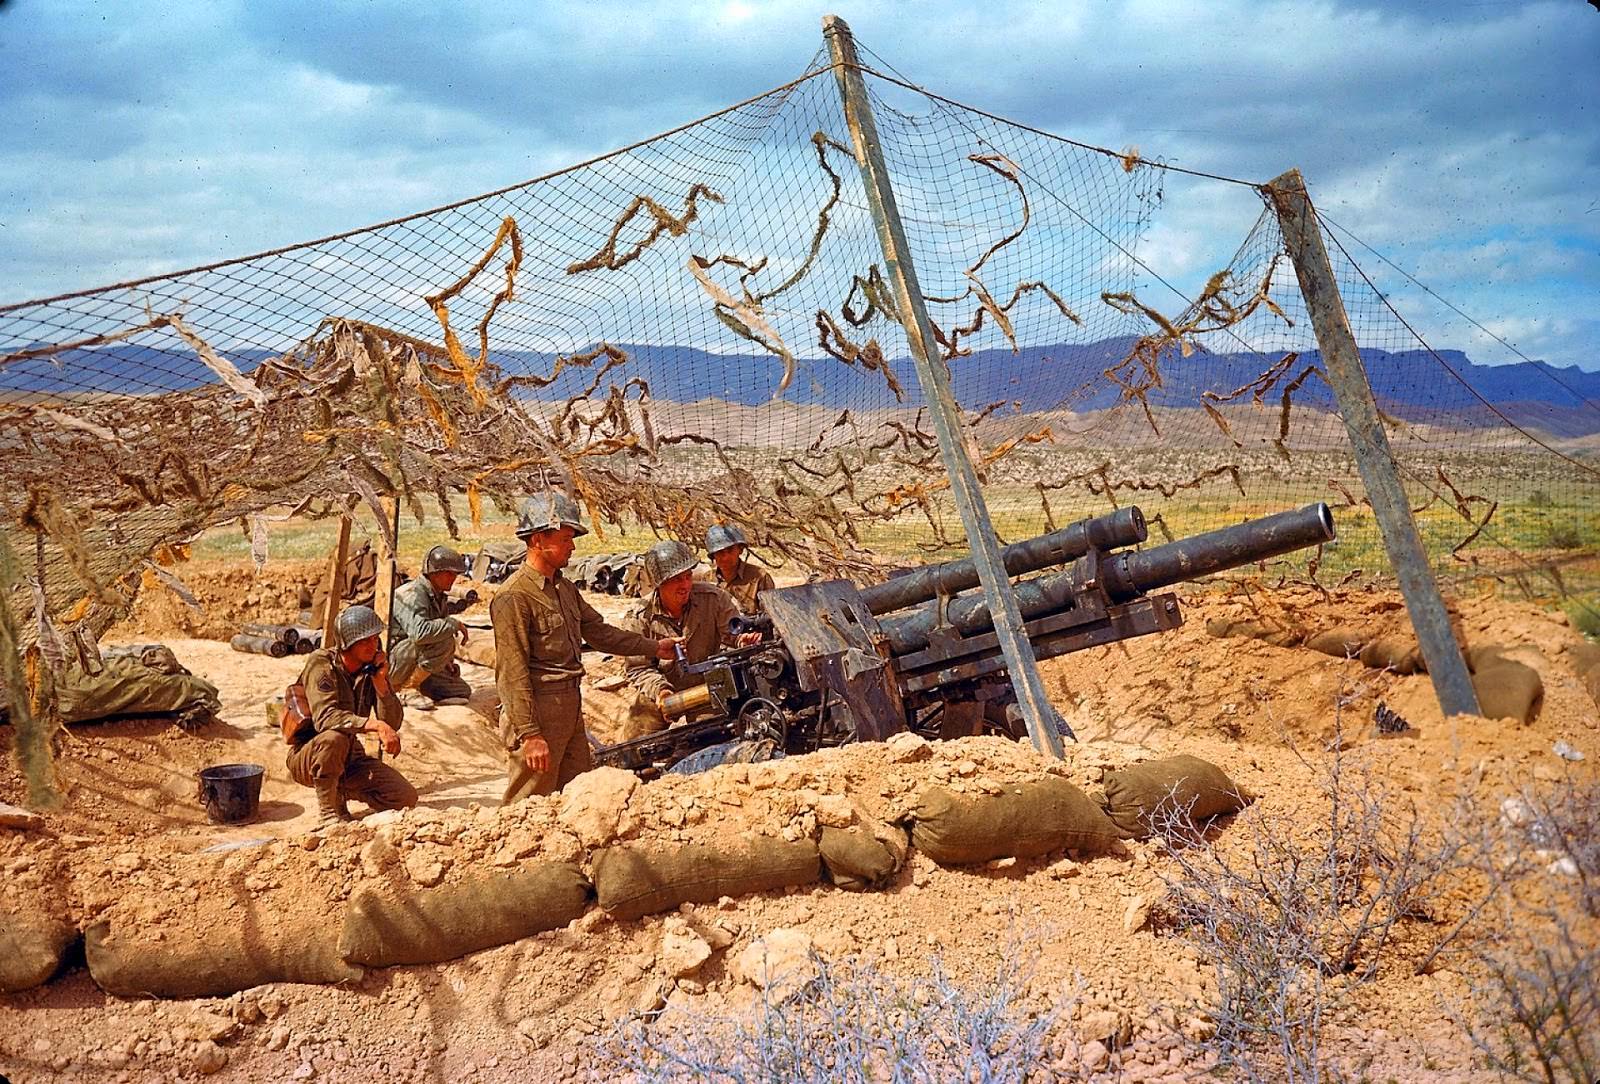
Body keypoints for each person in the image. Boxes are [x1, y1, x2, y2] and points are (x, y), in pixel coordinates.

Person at [491, 491, 678, 803]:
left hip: (570, 706)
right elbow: (512, 672)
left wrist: (654, 647)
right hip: (539, 711)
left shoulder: (564, 589)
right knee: (528, 804)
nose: (572, 547)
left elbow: (599, 632)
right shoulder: (514, 596)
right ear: (538, 540)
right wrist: (530, 734)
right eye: (566, 538)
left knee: (574, 797)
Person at [286, 605, 418, 828]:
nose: (373, 645)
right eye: (365, 640)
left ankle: (338, 790)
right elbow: (325, 718)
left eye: (376, 639)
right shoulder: (322, 663)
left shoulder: (370, 670)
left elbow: (393, 723)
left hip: (349, 756)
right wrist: (374, 725)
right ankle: (328, 814)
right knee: (333, 738)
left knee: (404, 797)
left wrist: (381, 686)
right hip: (310, 754)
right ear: (347, 643)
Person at [622, 540, 760, 735]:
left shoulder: (714, 598)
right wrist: (661, 692)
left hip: (708, 687)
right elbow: (638, 668)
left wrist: (741, 640)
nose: (685, 585)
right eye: (677, 579)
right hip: (661, 690)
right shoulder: (640, 617)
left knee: (711, 740)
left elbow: (732, 633)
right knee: (633, 747)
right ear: (659, 583)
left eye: (688, 577)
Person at [388, 544, 472, 706]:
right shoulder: (412, 594)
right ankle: (406, 689)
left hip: (413, 659)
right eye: (448, 574)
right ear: (434, 573)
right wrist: (452, 623)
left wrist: (446, 662)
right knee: (444, 638)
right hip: (394, 661)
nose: (453, 578)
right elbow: (419, 633)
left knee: (461, 691)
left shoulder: (437, 595)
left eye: (454, 574)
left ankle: (417, 686)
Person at [702, 524, 774, 615]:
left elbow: (771, 615)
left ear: (740, 550)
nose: (725, 557)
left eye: (730, 550)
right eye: (719, 552)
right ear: (713, 555)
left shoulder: (759, 577)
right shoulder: (708, 580)